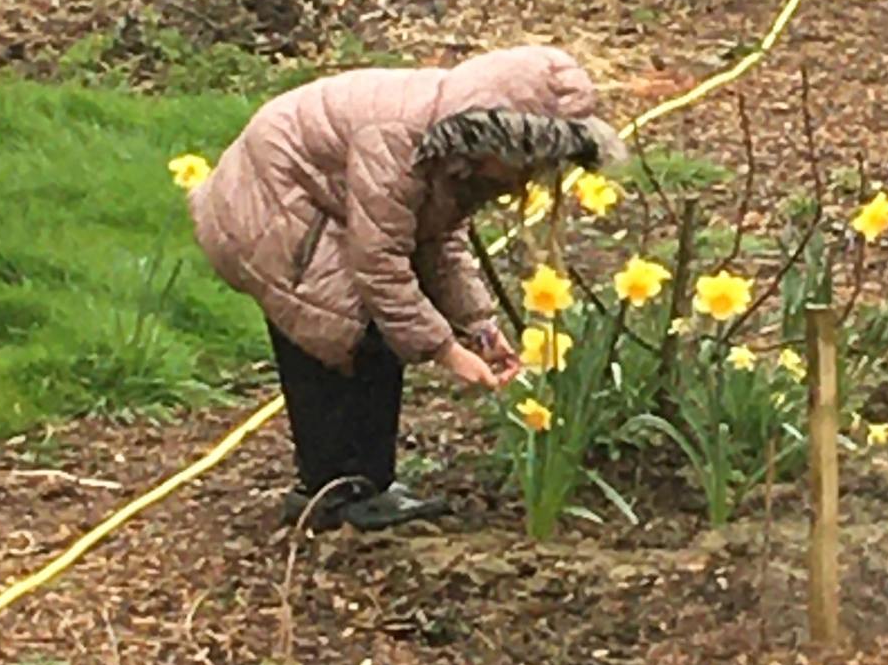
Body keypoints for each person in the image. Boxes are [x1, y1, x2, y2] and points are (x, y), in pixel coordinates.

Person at [186, 45, 626, 532]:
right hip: (273, 197)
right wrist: (444, 350)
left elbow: (439, 245)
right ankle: (331, 491)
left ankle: (369, 483)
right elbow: (380, 262)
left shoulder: (457, 151)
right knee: (335, 325)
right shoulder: (399, 140)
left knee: (374, 329)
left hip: (322, 201)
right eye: (531, 161)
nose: (530, 178)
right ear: (499, 136)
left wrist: (478, 328)